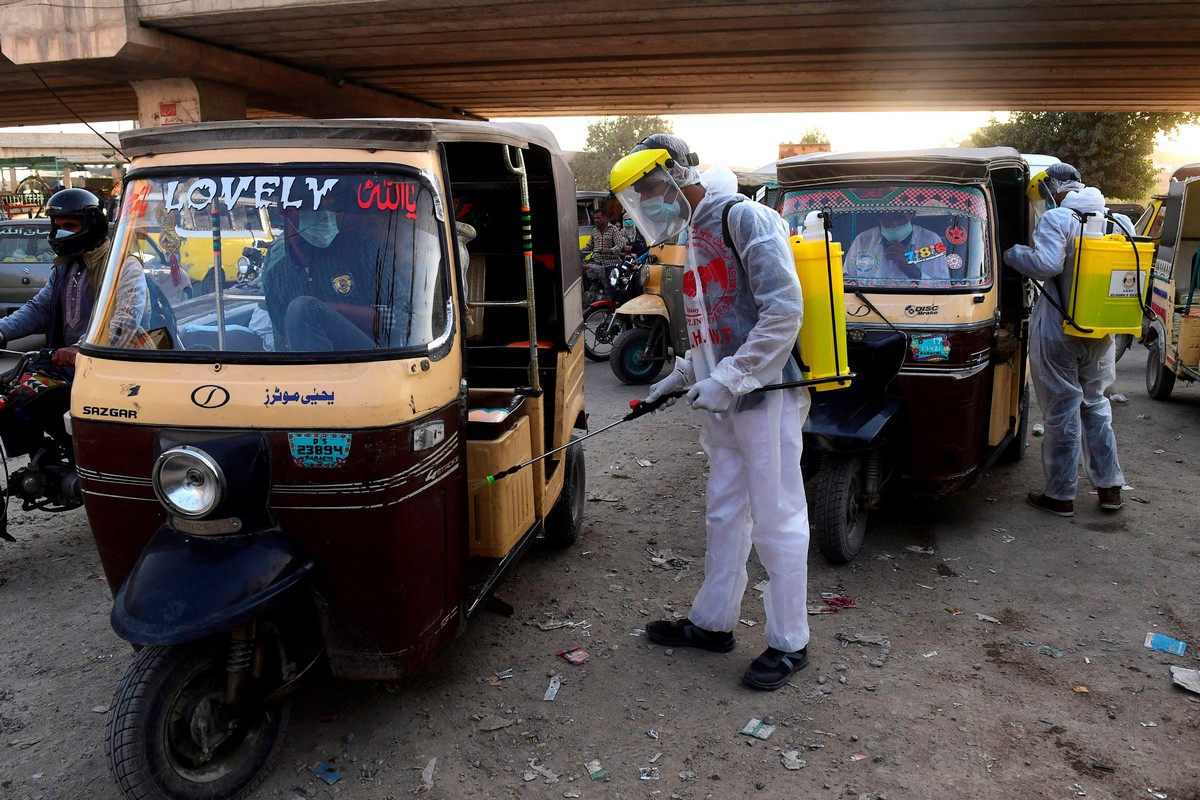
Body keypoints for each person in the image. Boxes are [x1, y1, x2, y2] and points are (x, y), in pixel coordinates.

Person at [611, 134, 811, 691]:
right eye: (640, 197)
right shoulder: (693, 233)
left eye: (651, 189)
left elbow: (782, 312)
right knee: (725, 514)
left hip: (766, 396)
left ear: (678, 176)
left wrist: (732, 377)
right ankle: (713, 623)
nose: (649, 204)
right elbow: (710, 328)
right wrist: (676, 378)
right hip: (725, 401)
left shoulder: (744, 218)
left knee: (777, 518)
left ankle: (789, 642)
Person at [1003, 163, 1128, 516]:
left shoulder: (1059, 219)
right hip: (1100, 330)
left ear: (1052, 189)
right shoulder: (1116, 220)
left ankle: (1060, 495)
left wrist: (1011, 253)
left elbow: (1045, 264)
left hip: (1060, 329)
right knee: (1096, 406)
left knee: (1062, 411)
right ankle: (1110, 487)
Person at [0, 188, 145, 459]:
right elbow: (38, 309)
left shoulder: (122, 266)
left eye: (69, 226)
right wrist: (1, 331)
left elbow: (125, 322)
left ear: (91, 224)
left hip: (106, 370)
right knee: (14, 399)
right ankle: (42, 462)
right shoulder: (64, 266)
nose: (60, 232)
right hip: (65, 367)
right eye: (57, 226)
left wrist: (81, 349)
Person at [262, 207, 388, 351]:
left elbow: (402, 318)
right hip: (309, 369)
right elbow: (283, 342)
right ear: (289, 212)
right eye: (315, 206)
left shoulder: (358, 248)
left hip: (372, 362)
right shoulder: (276, 277)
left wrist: (334, 310)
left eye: (330, 207)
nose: (326, 216)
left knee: (304, 308)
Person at [843, 210, 949, 282]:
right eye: (887, 219)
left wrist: (909, 268)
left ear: (912, 215)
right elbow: (846, 279)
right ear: (879, 218)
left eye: (900, 218)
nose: (894, 224)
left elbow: (943, 287)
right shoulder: (862, 241)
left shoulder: (932, 241)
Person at [579, 208, 625, 298]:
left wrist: (611, 250)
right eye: (594, 218)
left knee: (613, 286)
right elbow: (589, 246)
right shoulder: (594, 231)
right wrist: (580, 253)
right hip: (597, 263)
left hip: (610, 264)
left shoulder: (613, 230)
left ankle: (614, 303)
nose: (596, 220)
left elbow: (619, 245)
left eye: (598, 218)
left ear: (605, 218)